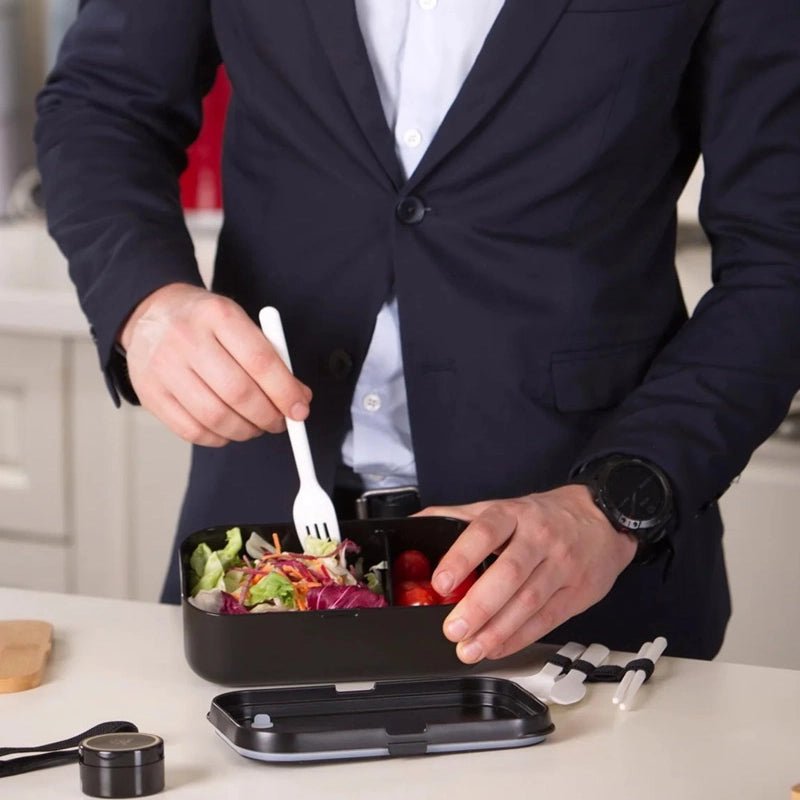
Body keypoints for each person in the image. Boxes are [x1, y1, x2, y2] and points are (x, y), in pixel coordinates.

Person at [35, 0, 800, 663]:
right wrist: (145, 303)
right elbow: (103, 103)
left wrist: (611, 507)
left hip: (579, 575)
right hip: (261, 557)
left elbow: (780, 260)